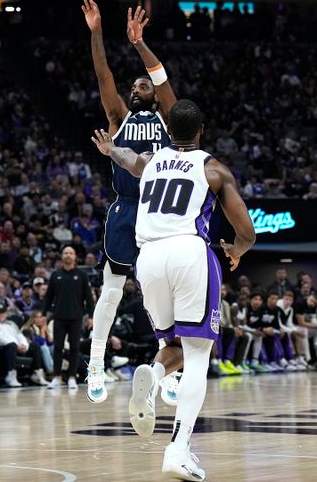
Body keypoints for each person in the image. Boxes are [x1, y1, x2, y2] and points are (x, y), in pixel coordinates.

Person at [92, 98, 256, 480]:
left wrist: (109, 148)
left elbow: (127, 159)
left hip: (146, 258)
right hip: (187, 252)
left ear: (169, 132)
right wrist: (237, 250)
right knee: (198, 356)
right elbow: (246, 231)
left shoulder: (151, 162)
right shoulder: (213, 168)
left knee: (175, 346)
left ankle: (153, 374)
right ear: (201, 131)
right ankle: (178, 449)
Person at [81, 0, 174, 404]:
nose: (136, 89)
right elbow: (102, 74)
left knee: (162, 295)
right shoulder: (119, 117)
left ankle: (169, 370)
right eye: (133, 86)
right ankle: (96, 363)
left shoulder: (168, 119)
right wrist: (96, 31)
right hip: (126, 210)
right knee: (112, 291)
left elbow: (164, 81)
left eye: (143, 86)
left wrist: (141, 45)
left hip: (161, 211)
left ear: (154, 94)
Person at [43, 246, 95, 390]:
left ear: (75, 257)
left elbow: (89, 298)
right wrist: (43, 314)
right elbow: (48, 297)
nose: (68, 255)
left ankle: (72, 377)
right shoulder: (55, 275)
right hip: (58, 317)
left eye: (71, 253)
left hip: (76, 317)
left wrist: (91, 316)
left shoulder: (82, 275)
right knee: (58, 347)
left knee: (75, 348)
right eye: (66, 253)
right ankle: (56, 377)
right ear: (62, 256)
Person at [0, 302, 49, 387]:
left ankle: (37, 374)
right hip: (3, 348)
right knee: (11, 345)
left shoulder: (12, 324)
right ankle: (10, 375)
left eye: (2, 312)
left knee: (35, 345)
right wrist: (16, 345)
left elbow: (20, 336)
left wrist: (24, 345)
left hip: (17, 347)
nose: (0, 315)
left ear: (6, 313)